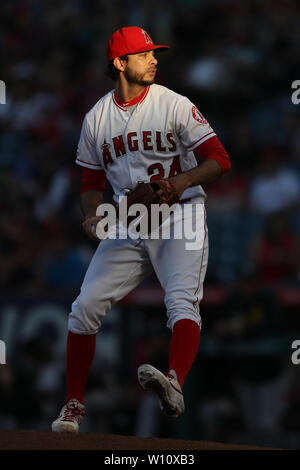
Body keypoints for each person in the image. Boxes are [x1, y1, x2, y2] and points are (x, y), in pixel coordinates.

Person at [51, 26, 231, 433]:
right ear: (120, 63)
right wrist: (94, 214)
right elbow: (90, 186)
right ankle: (73, 405)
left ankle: (174, 383)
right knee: (85, 307)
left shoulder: (175, 104)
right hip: (130, 221)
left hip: (180, 213)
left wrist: (179, 183)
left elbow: (220, 159)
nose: (154, 59)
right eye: (145, 54)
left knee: (182, 303)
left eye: (155, 53)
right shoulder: (96, 118)